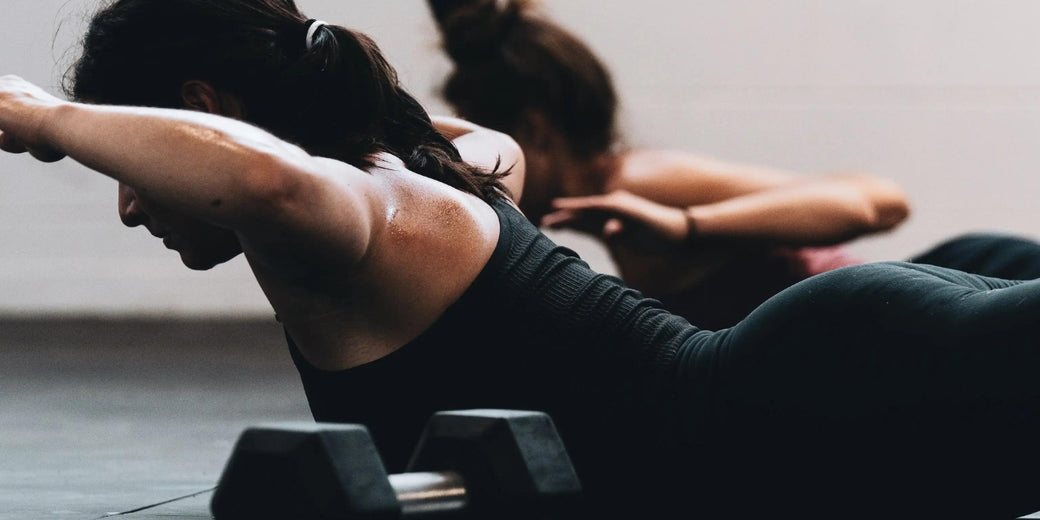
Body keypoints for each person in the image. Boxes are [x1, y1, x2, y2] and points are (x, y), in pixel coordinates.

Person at [3, 1, 1040, 518]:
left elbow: (271, 181)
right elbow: (447, 142)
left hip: (816, 408)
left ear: (202, 113)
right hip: (829, 396)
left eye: (134, 165)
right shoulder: (440, 160)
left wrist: (46, 119)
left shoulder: (347, 208)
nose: (135, 203)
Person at [425, 0, 1040, 330]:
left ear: (534, 129)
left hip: (948, 302)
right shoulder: (607, 218)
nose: (481, 171)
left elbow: (877, 201)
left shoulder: (640, 181)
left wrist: (690, 227)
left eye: (487, 146)